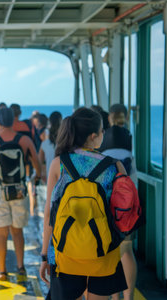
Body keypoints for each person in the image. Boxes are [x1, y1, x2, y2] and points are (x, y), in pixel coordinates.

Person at [40, 107, 127, 300]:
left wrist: (45, 255)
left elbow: (49, 214)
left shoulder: (59, 163)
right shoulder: (114, 166)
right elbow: (124, 214)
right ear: (94, 136)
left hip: (64, 251)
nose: (105, 134)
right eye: (103, 131)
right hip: (103, 251)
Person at [0, 107, 41, 281]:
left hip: (0, 193)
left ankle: (2, 271)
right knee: (17, 232)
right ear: (13, 121)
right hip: (19, 193)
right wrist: (34, 177)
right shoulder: (24, 140)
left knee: (1, 233)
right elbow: (37, 165)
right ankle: (21, 267)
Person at [100, 103, 138, 300]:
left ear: (108, 119)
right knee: (127, 250)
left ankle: (114, 298)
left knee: (111, 253)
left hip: (108, 204)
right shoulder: (130, 140)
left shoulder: (103, 141)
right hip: (129, 203)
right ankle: (129, 296)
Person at [10, 103, 38, 215]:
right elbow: (32, 143)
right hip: (25, 160)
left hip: (10, 161)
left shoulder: (8, 128)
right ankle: (31, 209)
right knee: (28, 182)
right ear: (20, 113)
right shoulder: (27, 125)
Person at [38, 111, 62, 183]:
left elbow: (40, 162)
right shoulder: (67, 144)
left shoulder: (45, 144)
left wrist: (42, 174)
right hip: (65, 181)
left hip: (50, 179)